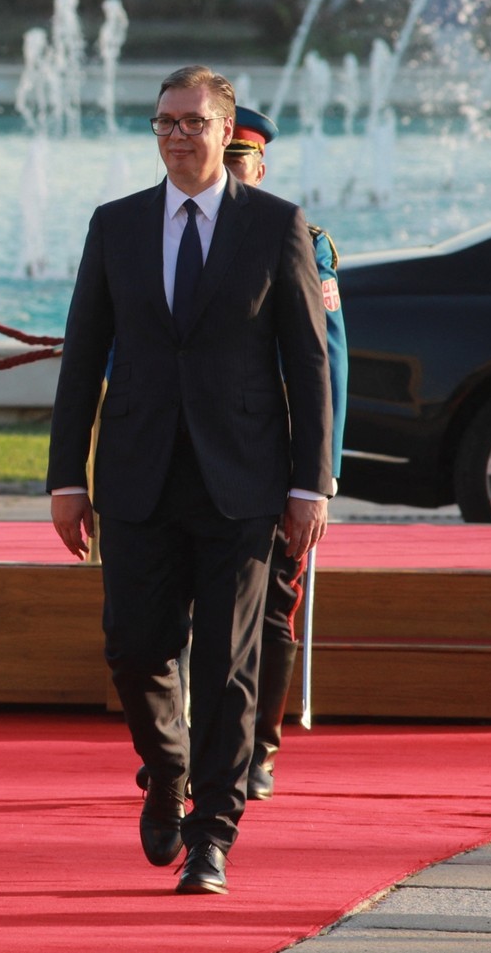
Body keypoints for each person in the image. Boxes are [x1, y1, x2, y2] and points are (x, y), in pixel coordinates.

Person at [47, 66, 331, 896]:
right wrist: (67, 476)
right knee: (134, 649)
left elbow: (307, 362)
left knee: (230, 665)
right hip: (136, 476)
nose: (177, 136)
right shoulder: (117, 225)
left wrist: (309, 488)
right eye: (163, 123)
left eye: (193, 122)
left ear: (224, 128)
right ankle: (166, 765)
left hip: (243, 481)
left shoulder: (275, 226)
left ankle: (213, 832)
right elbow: (82, 357)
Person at [221, 108, 348, 801]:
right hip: (191, 458)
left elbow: (328, 362)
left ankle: (259, 747)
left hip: (274, 462)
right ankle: (187, 743)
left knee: (272, 607)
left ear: (260, 167)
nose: (228, 171)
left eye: (240, 159)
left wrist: (318, 474)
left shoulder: (299, 239)